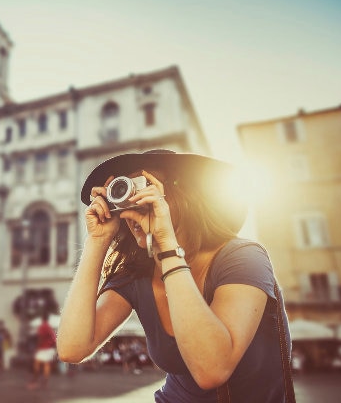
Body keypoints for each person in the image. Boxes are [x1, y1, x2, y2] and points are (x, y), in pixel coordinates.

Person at [57, 149, 294, 402]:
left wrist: (166, 245)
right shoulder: (137, 272)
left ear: (182, 197)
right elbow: (72, 347)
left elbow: (211, 370)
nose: (135, 204)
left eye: (145, 189)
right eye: (125, 192)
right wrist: (97, 240)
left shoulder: (243, 257)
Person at [27, 313, 57, 390]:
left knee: (36, 364)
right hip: (50, 348)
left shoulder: (42, 326)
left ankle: (34, 381)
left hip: (43, 348)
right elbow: (54, 338)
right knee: (47, 365)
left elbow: (40, 337)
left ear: (42, 319)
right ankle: (45, 382)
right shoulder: (49, 327)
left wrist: (37, 347)